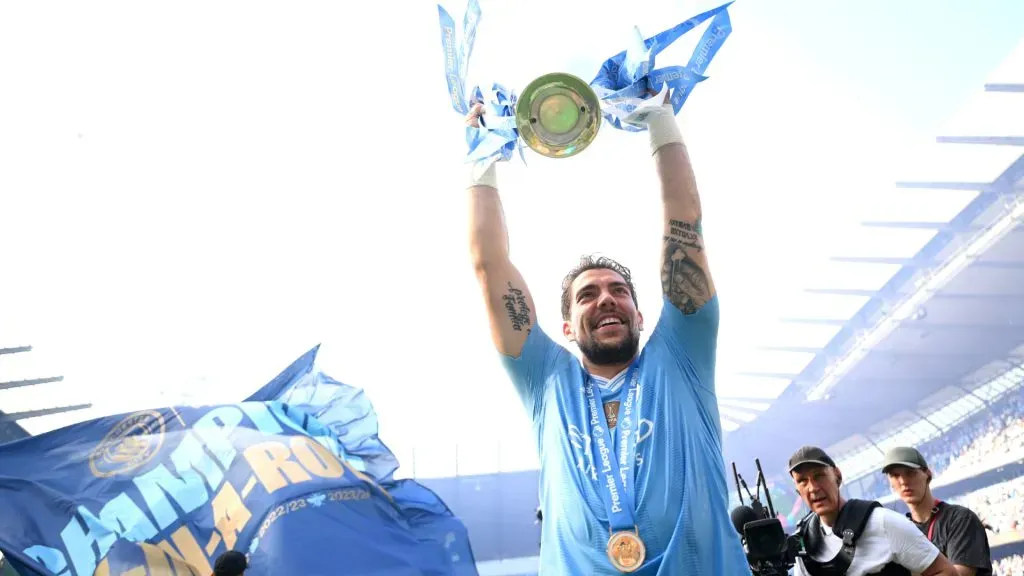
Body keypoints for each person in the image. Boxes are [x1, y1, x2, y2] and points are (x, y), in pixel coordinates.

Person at [466, 95, 749, 574]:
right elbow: (489, 265)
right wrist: (481, 162)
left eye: (619, 291)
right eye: (587, 296)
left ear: (641, 316)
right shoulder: (545, 380)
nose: (605, 300)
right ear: (564, 329)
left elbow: (685, 225)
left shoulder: (681, 356)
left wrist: (660, 120)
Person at [787, 446, 958, 576]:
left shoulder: (883, 522)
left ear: (837, 475)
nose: (813, 488)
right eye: (802, 481)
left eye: (819, 476)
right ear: (797, 491)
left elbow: (945, 572)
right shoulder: (803, 543)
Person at [882, 446, 993, 576]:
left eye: (910, 473)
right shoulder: (900, 531)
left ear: (928, 474)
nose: (903, 481)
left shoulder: (960, 519)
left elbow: (960, 574)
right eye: (894, 475)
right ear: (890, 483)